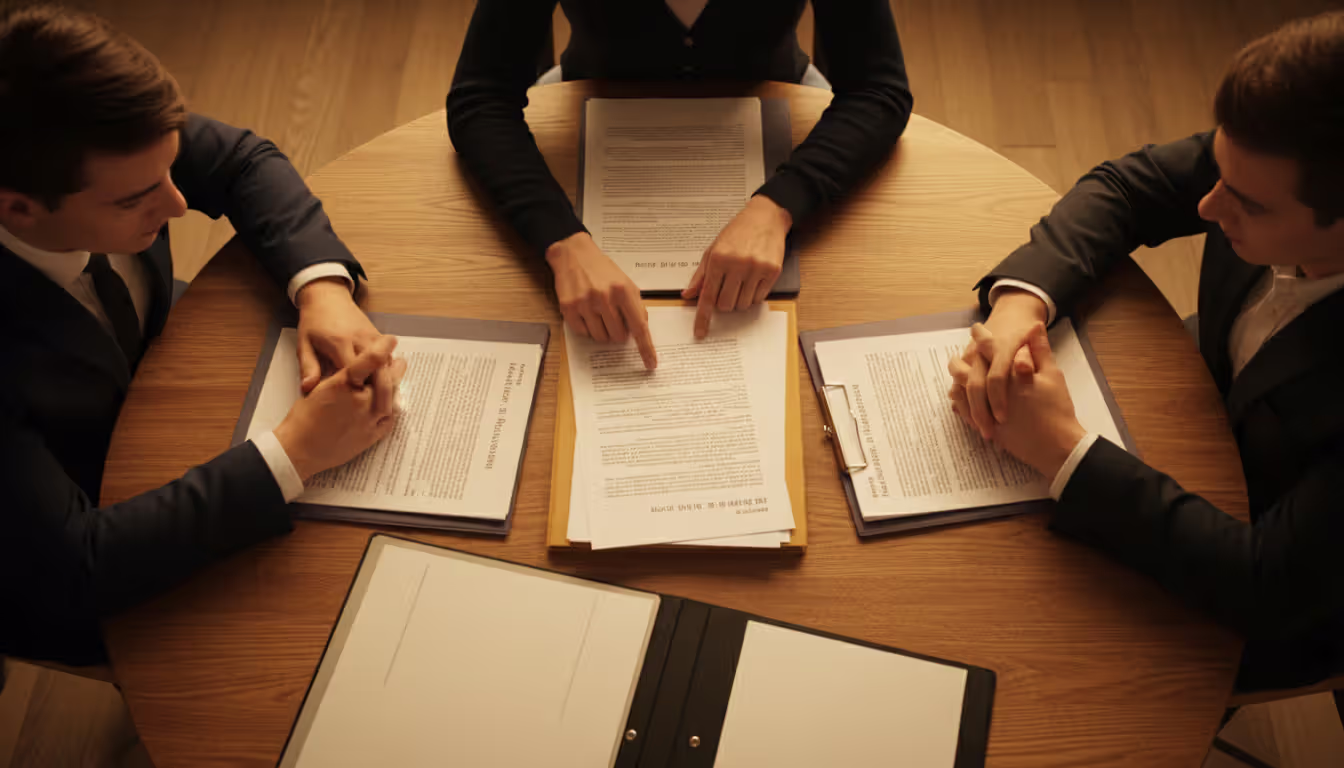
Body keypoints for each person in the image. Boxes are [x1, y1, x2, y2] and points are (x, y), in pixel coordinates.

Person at [947, 11, 1344, 692]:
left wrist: (1063, 449)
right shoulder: (1264, 162)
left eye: (1245, 204)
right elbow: (1127, 188)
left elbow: (1265, 587)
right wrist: (1021, 304)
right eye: (1214, 169)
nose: (1209, 207)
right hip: (1196, 415)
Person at [0, 5, 407, 665]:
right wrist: (295, 452)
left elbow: (244, 162)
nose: (180, 206)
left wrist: (322, 290)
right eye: (137, 200)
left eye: (172, 168)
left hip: (162, 375)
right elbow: (76, 569)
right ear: (17, 208)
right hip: (82, 531)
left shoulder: (107, 145)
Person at [447, 0, 912, 368]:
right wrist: (560, 241)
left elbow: (878, 90)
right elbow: (480, 97)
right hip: (591, 111)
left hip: (774, 109)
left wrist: (780, 203)